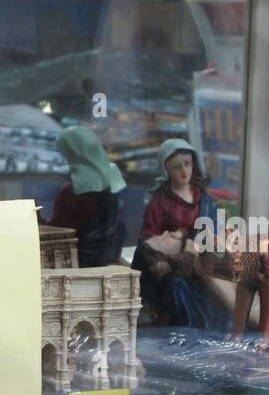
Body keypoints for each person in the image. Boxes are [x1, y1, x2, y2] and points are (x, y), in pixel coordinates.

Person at [131, 138, 226, 331]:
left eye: (187, 164)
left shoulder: (206, 201)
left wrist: (203, 253)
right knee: (175, 286)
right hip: (173, 270)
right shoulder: (160, 202)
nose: (184, 171)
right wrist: (167, 259)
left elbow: (215, 237)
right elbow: (147, 243)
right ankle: (186, 331)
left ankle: (209, 329)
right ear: (166, 170)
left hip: (204, 267)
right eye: (176, 167)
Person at [50, 126, 128, 267]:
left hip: (86, 255)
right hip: (106, 251)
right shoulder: (111, 175)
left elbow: (63, 227)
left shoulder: (71, 192)